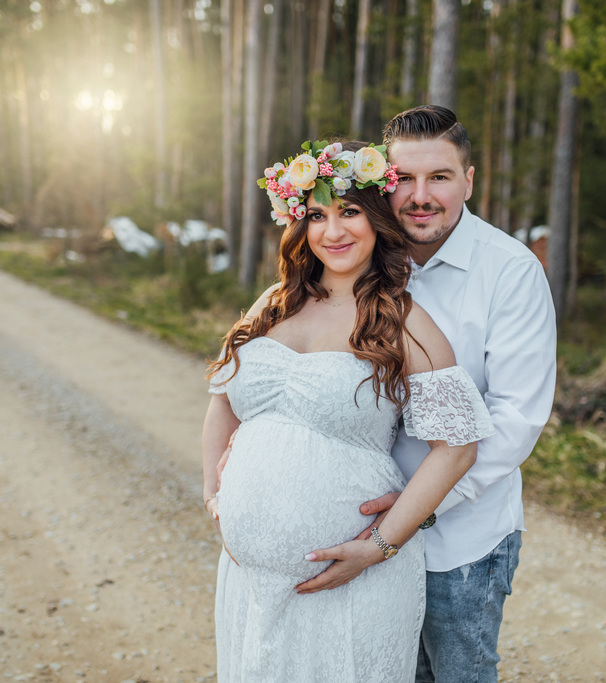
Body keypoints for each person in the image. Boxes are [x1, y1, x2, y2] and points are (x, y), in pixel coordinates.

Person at [201, 139, 495, 682]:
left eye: (350, 212)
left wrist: (381, 546)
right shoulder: (275, 302)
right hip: (250, 579)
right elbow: (223, 400)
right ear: (299, 224)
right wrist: (215, 497)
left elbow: (456, 448)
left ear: (377, 218)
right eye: (317, 214)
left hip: (357, 584)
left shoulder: (403, 320)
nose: (333, 231)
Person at [296, 106, 558, 682]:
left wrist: (420, 504)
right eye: (404, 180)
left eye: (438, 177)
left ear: (469, 180)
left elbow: (517, 415)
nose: (420, 196)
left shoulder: (509, 271)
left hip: (460, 539)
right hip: (353, 524)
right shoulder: (358, 264)